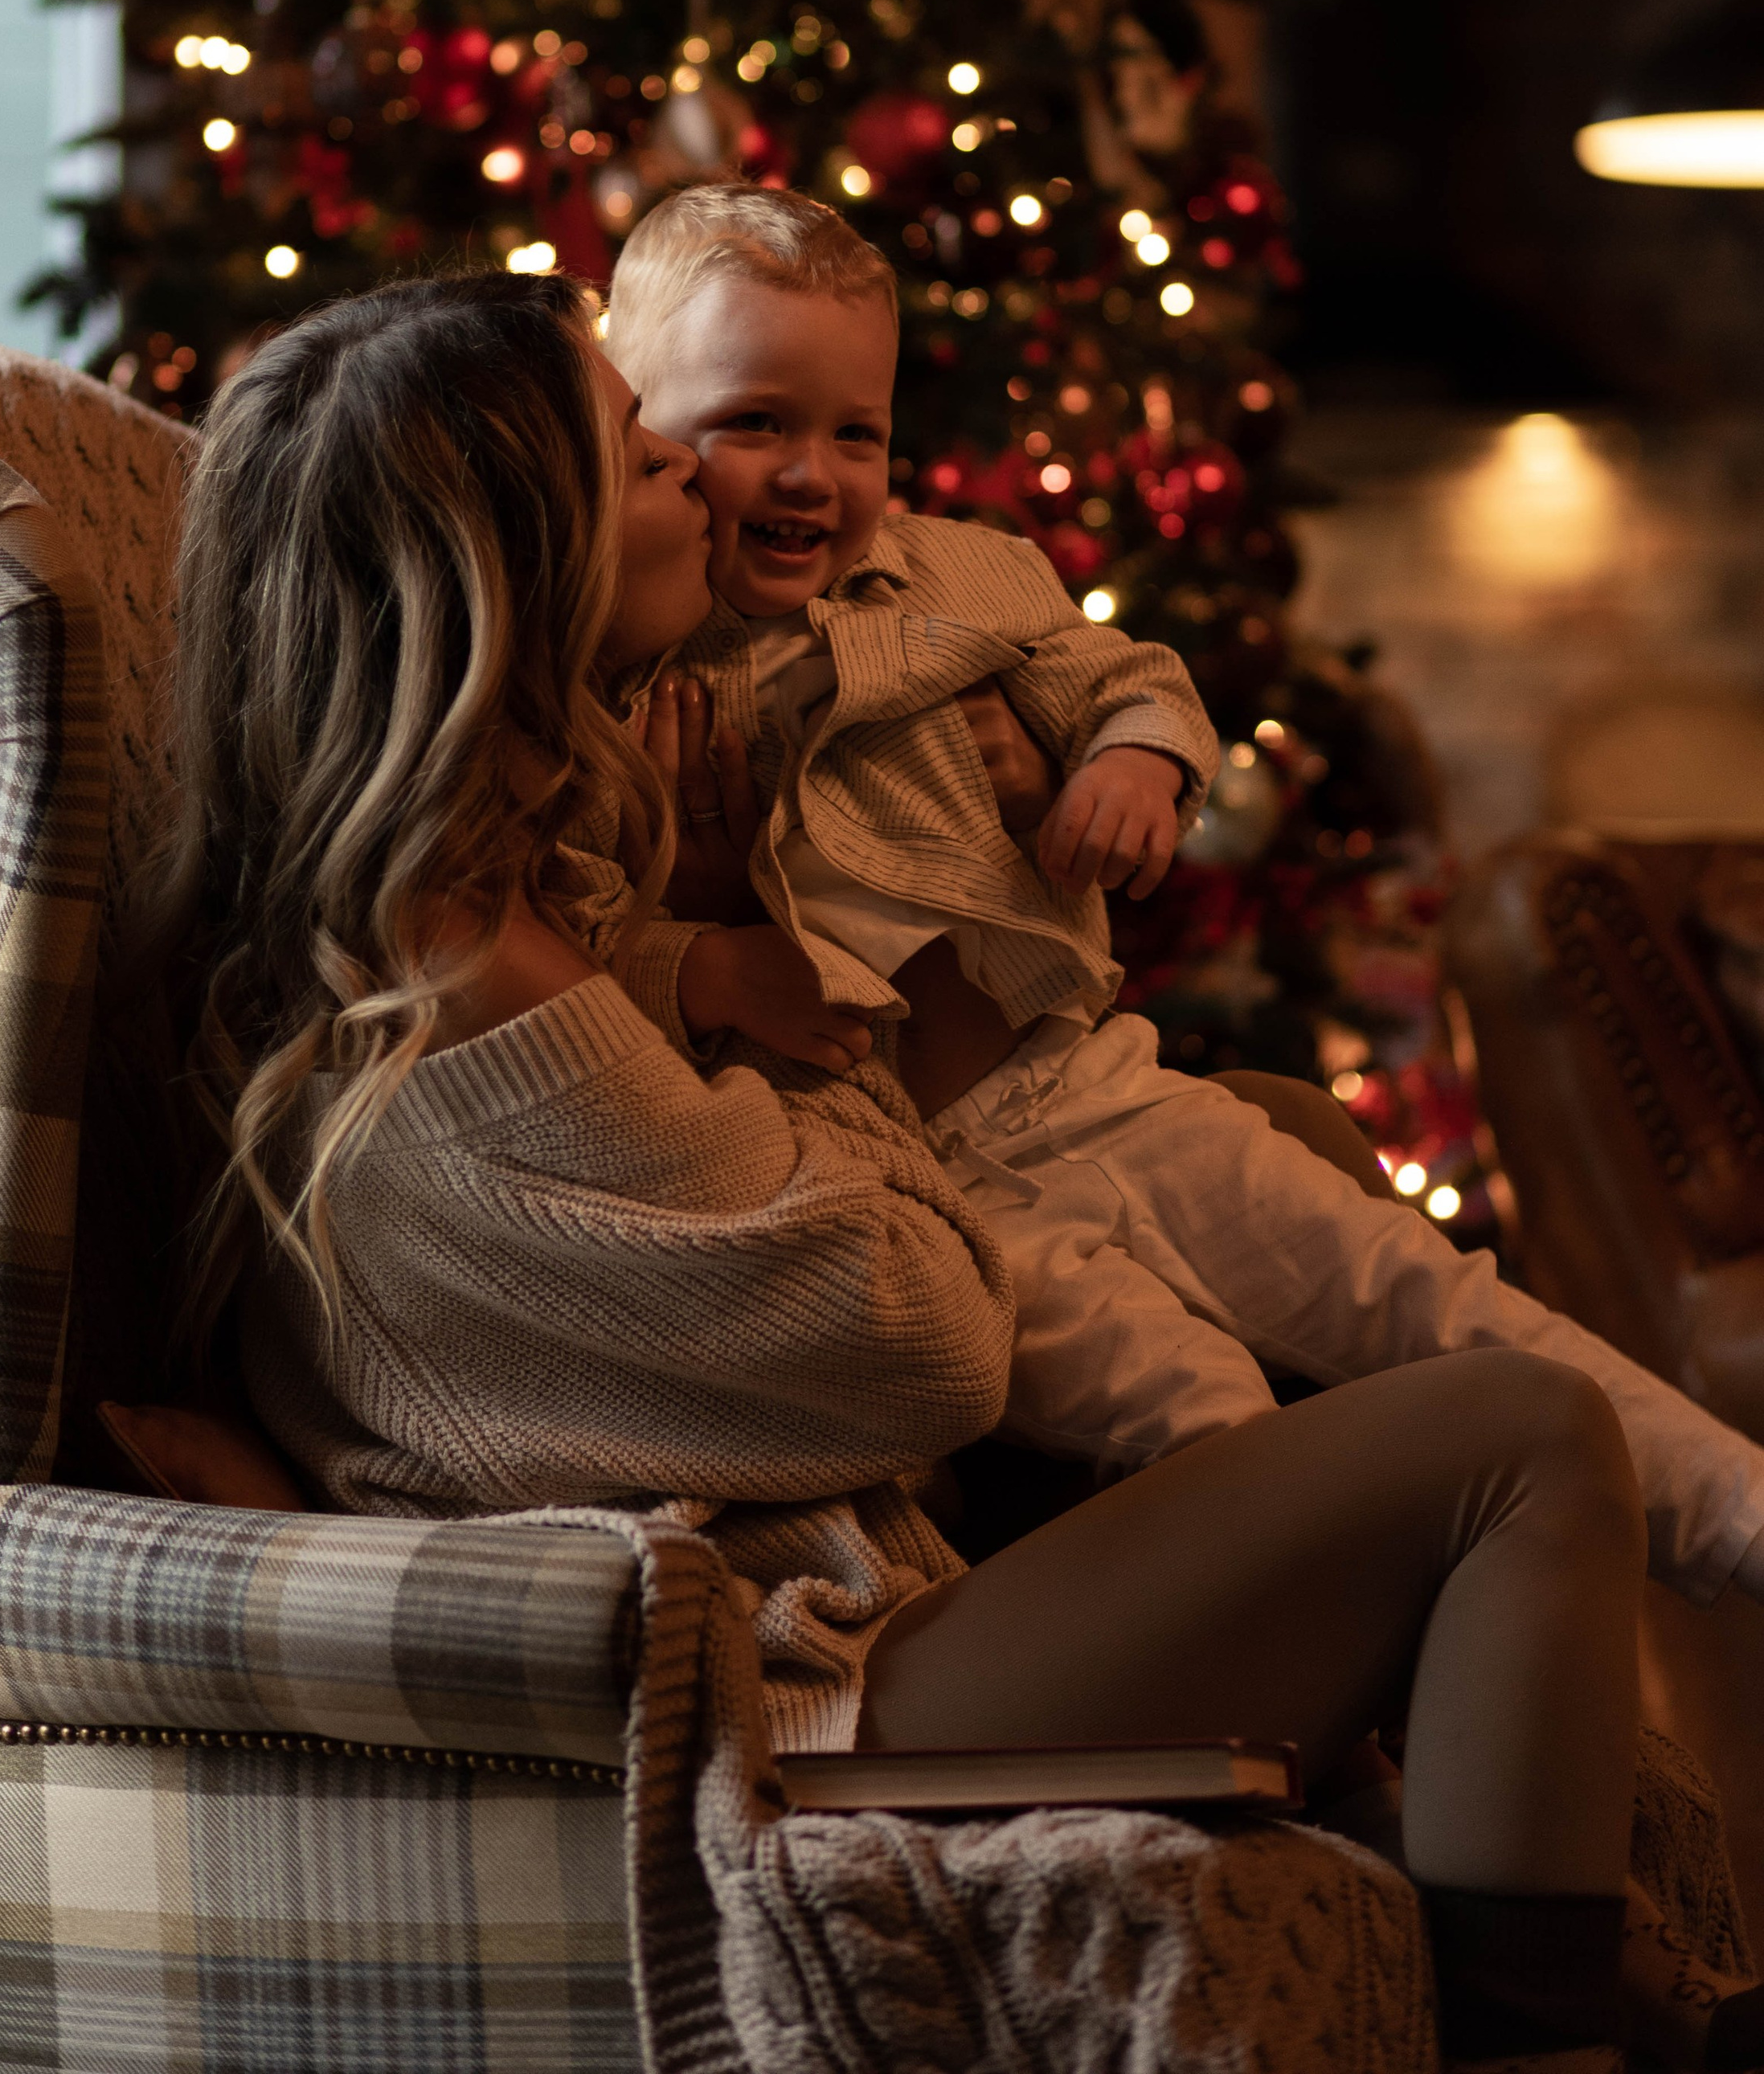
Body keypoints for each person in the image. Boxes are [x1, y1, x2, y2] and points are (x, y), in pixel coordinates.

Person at [161, 269, 1763, 2069]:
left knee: (1284, 1138)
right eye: (640, 456)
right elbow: (925, 1340)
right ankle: (1544, 2040)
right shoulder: (486, 1001)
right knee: (1513, 1440)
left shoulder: (473, 908)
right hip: (791, 1689)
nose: (699, 475)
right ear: (516, 565)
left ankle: (1554, 1919)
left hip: (843, 1559)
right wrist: (759, 969)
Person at [604, 182, 1764, 1614]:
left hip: (1091, 1088)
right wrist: (703, 967)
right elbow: (586, 934)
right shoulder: (622, 681)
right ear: (637, 430)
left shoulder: (958, 575)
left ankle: (1741, 1513)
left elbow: (1135, 679)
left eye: (858, 434)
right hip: (919, 1191)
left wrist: (1136, 766)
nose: (812, 476)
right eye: (751, 424)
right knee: (1197, 1403)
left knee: (1434, 1295)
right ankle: (1341, 1695)